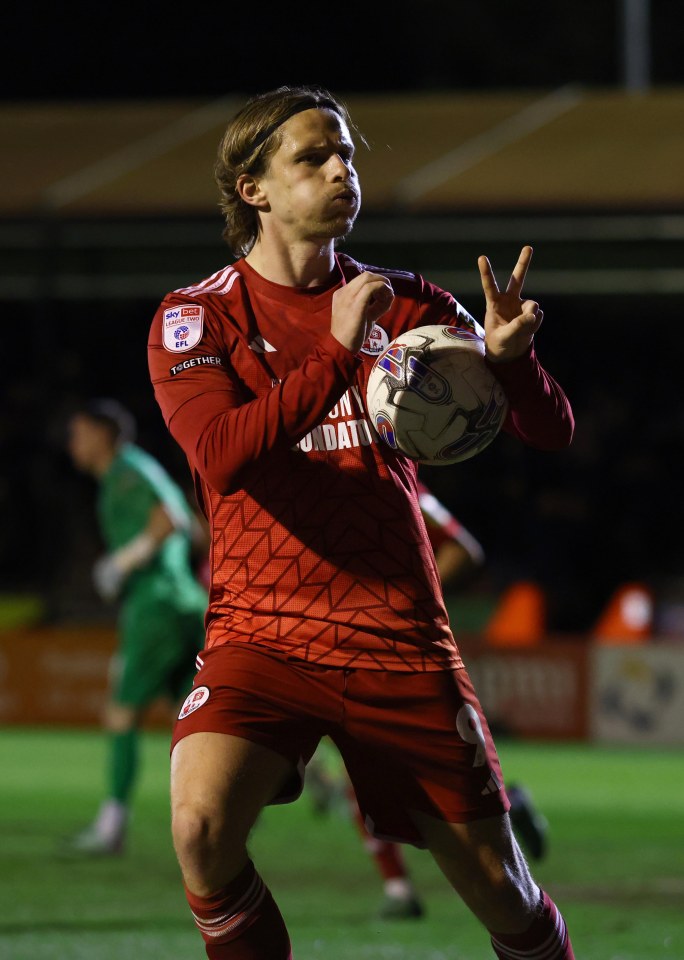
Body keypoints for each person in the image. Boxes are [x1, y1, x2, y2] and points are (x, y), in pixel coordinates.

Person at [147, 84, 576, 959]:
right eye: (314, 156)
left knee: (505, 898)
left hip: (395, 634)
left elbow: (550, 431)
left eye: (347, 153)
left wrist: (513, 365)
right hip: (260, 632)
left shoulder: (410, 307)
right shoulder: (198, 316)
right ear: (254, 188)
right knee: (199, 826)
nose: (342, 169)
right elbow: (222, 454)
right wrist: (334, 356)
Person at [309, 480, 548, 921]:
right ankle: (400, 885)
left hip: (398, 652)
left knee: (415, 778)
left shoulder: (391, 482)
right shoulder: (320, 485)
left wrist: (415, 600)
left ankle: (408, 882)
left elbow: (462, 547)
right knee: (368, 772)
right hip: (342, 646)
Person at [62, 398, 208, 856]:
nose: (73, 443)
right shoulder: (130, 471)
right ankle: (307, 780)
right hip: (184, 602)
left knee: (122, 714)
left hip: (157, 607)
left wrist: (125, 562)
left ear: (103, 435)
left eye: (79, 433)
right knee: (194, 720)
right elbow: (192, 527)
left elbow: (173, 517)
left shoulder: (126, 471)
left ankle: (111, 827)